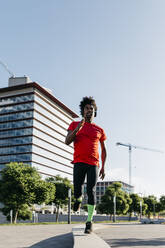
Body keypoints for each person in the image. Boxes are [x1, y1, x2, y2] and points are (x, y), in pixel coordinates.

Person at [65, 96, 107, 234]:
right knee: (77, 188)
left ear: (94, 112)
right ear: (83, 111)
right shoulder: (74, 124)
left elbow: (104, 149)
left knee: (91, 190)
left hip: (93, 163)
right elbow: (67, 141)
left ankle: (89, 222)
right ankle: (78, 198)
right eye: (87, 108)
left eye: (92, 109)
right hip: (78, 162)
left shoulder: (99, 130)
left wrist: (103, 166)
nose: (89, 111)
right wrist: (78, 127)